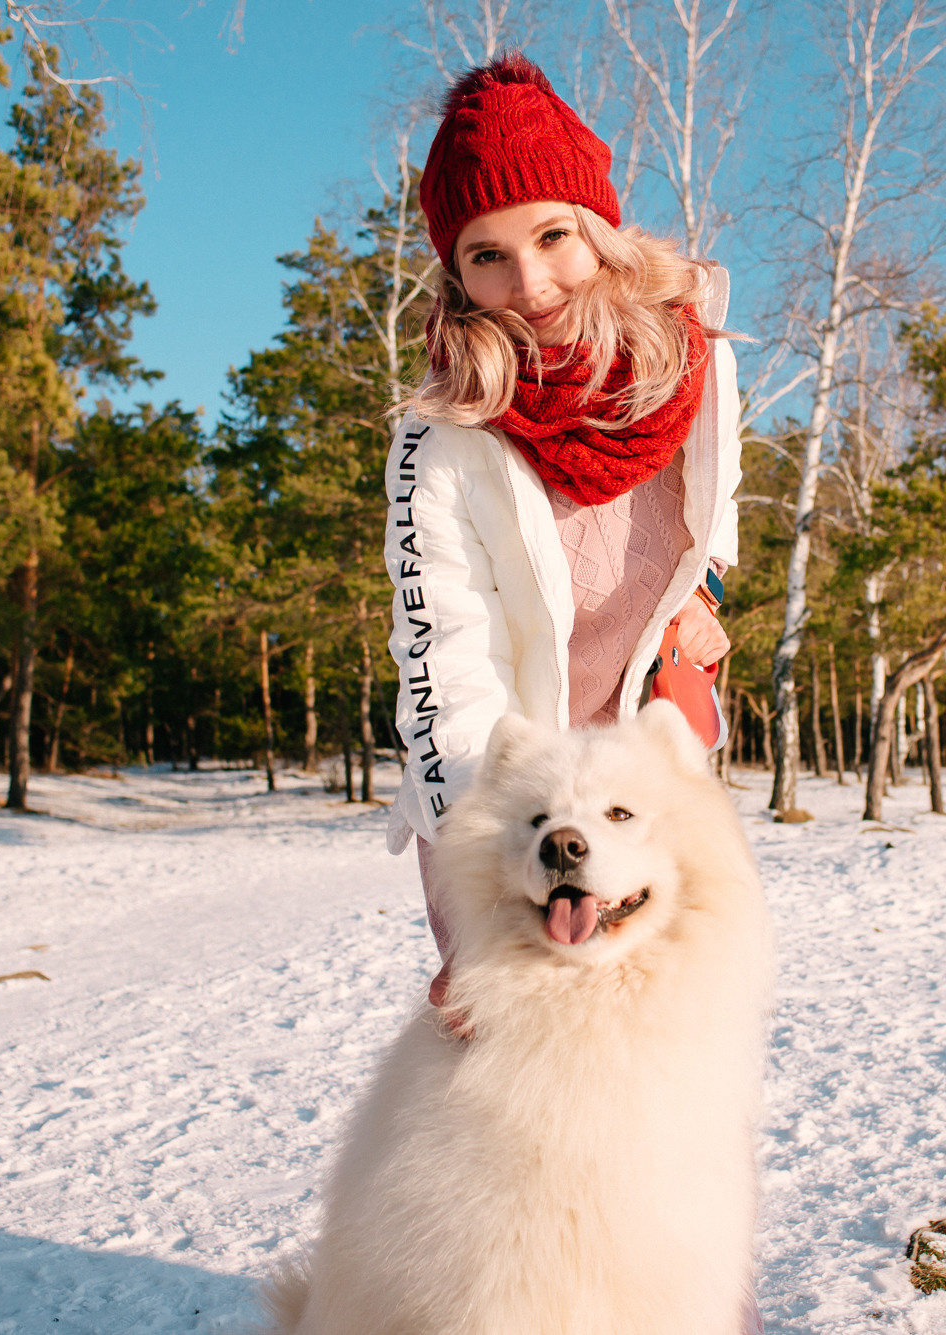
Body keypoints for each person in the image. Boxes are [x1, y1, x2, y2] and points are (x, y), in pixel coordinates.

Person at [382, 53, 741, 1006]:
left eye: (552, 236)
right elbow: (444, 668)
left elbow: (711, 514)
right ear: (456, 274)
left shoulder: (694, 365)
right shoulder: (441, 436)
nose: (530, 281)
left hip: (644, 789)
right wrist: (475, 921)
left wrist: (701, 598)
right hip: (509, 799)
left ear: (599, 230)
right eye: (487, 255)